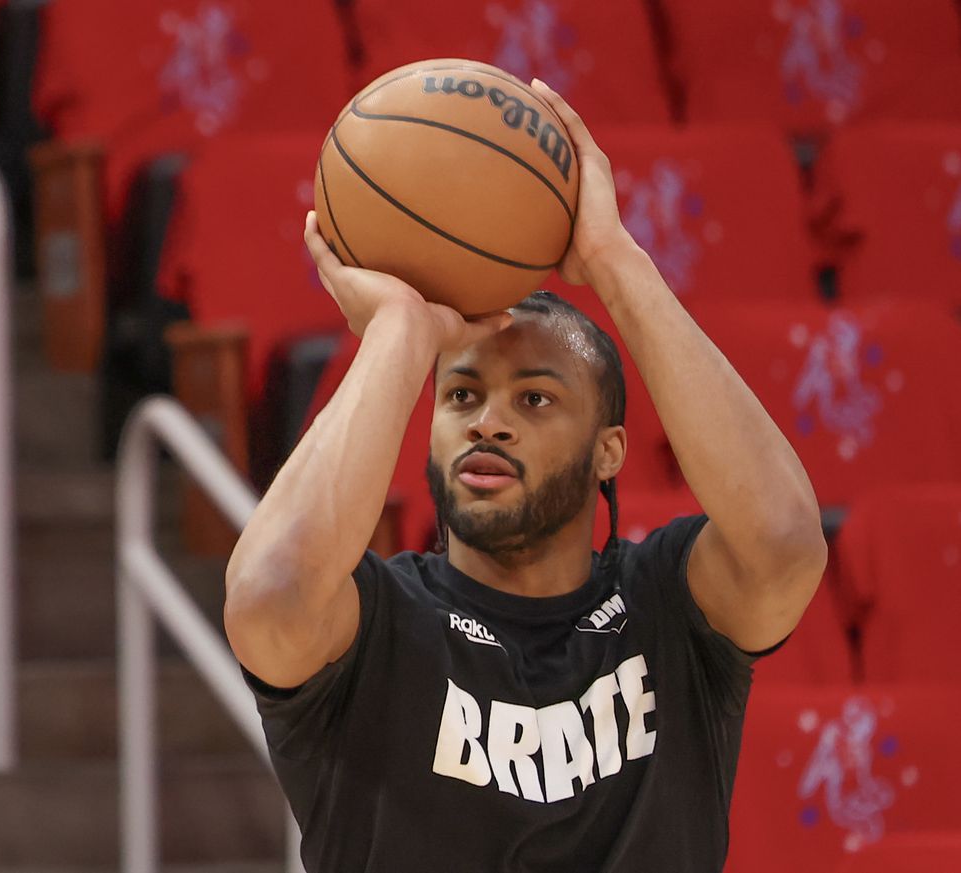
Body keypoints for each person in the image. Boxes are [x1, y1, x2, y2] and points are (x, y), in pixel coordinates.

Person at [223, 79, 827, 872]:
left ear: (609, 449)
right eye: (462, 395)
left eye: (534, 397)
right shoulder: (377, 627)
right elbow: (268, 593)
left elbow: (784, 540)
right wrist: (402, 331)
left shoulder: (667, 610)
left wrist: (613, 261)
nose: (488, 420)